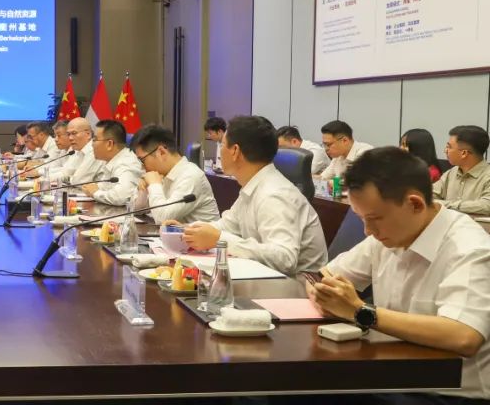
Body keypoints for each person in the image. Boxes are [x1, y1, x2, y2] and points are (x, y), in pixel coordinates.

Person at [310, 146, 490, 403]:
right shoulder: (388, 234)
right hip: (392, 375)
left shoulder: (470, 249)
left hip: (448, 394)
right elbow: (324, 276)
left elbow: (463, 336)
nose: (367, 231)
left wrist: (361, 311)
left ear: (415, 204)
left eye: (374, 218)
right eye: (361, 218)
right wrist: (326, 296)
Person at [176, 115, 327, 277]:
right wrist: (187, 229)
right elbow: (227, 225)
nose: (219, 151)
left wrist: (220, 239)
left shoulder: (274, 194)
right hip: (268, 277)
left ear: (235, 151)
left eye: (223, 145)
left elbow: (285, 259)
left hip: (301, 284)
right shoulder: (254, 185)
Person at [130, 124, 220, 223]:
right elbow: (137, 209)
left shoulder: (190, 176)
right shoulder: (162, 174)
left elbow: (162, 219)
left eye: (142, 160)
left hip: (201, 234)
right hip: (175, 232)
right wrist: (143, 190)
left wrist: (154, 185)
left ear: (161, 152)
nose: (142, 167)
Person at [82, 120, 143, 207]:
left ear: (109, 144)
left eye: (95, 139)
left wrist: (95, 192)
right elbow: (106, 186)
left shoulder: (126, 163)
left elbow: (120, 197)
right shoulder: (113, 159)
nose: (92, 144)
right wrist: (94, 188)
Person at [434, 125, 490, 215]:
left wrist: (445, 205)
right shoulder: (451, 172)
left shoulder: (487, 176)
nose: (445, 151)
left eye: (449, 147)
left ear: (464, 153)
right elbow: (430, 195)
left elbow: (486, 205)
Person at [59, 117, 103, 184]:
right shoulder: (77, 150)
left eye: (74, 133)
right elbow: (65, 172)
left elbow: (78, 181)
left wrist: (67, 178)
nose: (70, 138)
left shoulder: (94, 150)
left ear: (88, 134)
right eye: (68, 134)